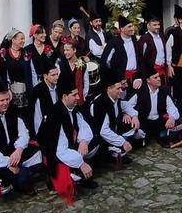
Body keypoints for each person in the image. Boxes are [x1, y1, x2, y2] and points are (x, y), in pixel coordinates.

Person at [39, 72, 98, 204]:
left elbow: (83, 125)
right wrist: (80, 163)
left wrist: (83, 141)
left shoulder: (72, 107)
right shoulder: (55, 115)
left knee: (93, 142)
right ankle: (73, 174)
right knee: (70, 179)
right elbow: (60, 149)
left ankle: (80, 173)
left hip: (69, 145)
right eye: (74, 95)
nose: (78, 97)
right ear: (64, 96)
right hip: (55, 153)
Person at [0, 77, 41, 199]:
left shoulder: (12, 111)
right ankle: (18, 180)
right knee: (5, 182)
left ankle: (20, 178)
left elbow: (24, 132)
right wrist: (8, 162)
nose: (5, 103)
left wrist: (19, 150)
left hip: (13, 151)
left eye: (7, 99)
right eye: (1, 100)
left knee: (37, 155)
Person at [89, 67, 139, 163]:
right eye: (118, 88)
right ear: (108, 89)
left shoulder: (115, 97)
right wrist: (122, 142)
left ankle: (116, 150)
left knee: (133, 126)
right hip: (98, 136)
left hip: (114, 129)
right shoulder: (100, 103)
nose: (121, 91)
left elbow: (126, 106)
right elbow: (103, 131)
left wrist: (134, 116)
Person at [127, 63, 181, 147]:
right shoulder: (140, 91)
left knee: (177, 123)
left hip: (158, 120)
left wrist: (172, 118)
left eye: (158, 76)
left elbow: (171, 106)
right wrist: (133, 116)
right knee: (138, 133)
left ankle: (161, 136)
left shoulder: (164, 90)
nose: (159, 79)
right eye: (155, 77)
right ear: (148, 80)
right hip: (144, 120)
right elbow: (128, 106)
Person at [103, 16, 143, 85]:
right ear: (122, 29)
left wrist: (139, 76)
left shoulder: (135, 40)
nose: (132, 28)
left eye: (132, 26)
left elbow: (140, 59)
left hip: (136, 78)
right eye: (129, 27)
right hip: (120, 79)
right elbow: (107, 62)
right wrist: (117, 78)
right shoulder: (114, 43)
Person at [2, 29, 34, 110]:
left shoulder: (25, 52)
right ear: (13, 40)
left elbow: (30, 71)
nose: (23, 41)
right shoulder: (4, 53)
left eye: (24, 39)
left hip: (24, 89)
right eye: (21, 39)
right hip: (10, 90)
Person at [28, 63, 59, 138]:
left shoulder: (59, 87)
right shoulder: (38, 91)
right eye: (53, 75)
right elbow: (37, 117)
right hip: (44, 131)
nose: (56, 77)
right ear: (45, 76)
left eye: (57, 74)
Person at [56, 40, 90, 105]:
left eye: (67, 50)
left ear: (74, 50)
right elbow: (58, 84)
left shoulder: (82, 64)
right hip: (65, 100)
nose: (65, 52)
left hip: (78, 99)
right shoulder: (61, 64)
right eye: (64, 50)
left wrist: (82, 96)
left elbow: (86, 83)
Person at [138, 15, 168, 83]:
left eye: (158, 24)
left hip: (163, 71)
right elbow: (141, 59)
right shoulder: (144, 39)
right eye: (154, 25)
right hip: (151, 73)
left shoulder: (163, 37)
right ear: (148, 26)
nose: (157, 27)